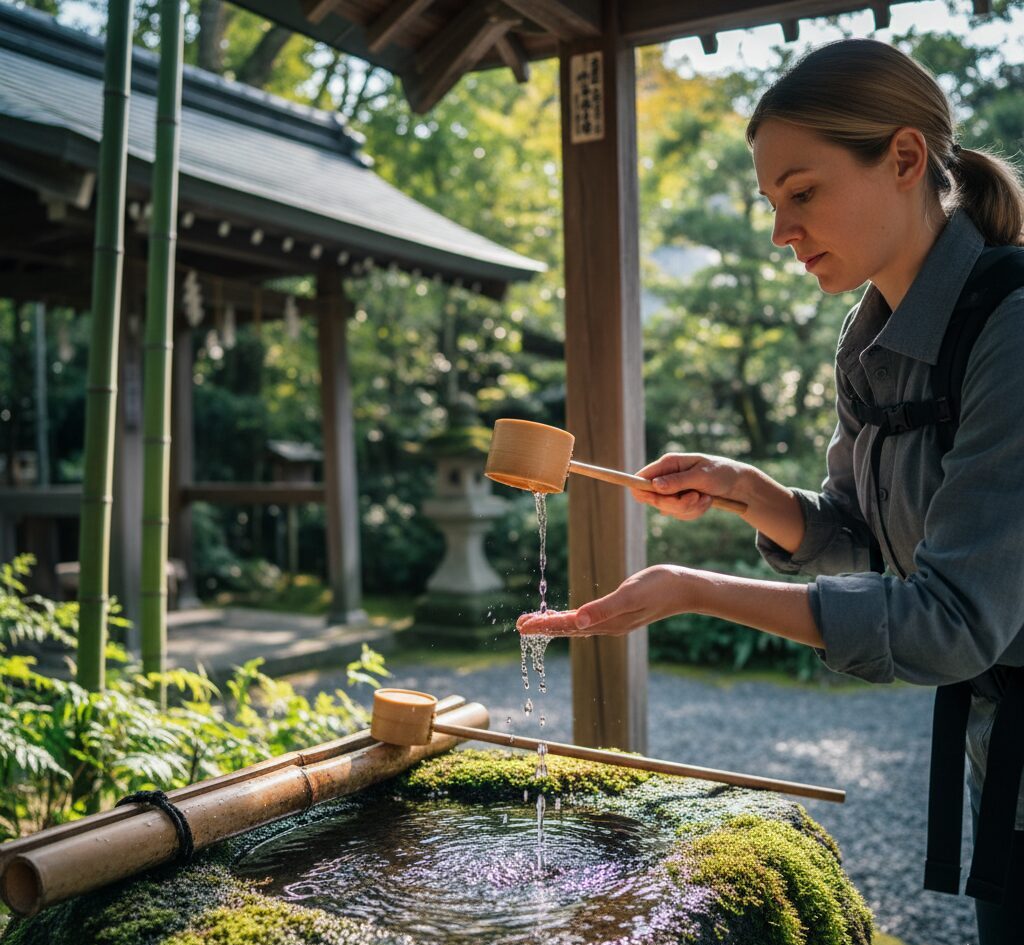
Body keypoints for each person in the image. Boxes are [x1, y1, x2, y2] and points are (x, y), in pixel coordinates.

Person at [517, 38, 1024, 944]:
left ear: (905, 159)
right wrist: (745, 490)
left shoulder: (1014, 333)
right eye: (771, 202)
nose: (781, 229)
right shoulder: (869, 338)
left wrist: (696, 590)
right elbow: (864, 535)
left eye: (803, 192)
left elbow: (951, 619)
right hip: (1004, 753)